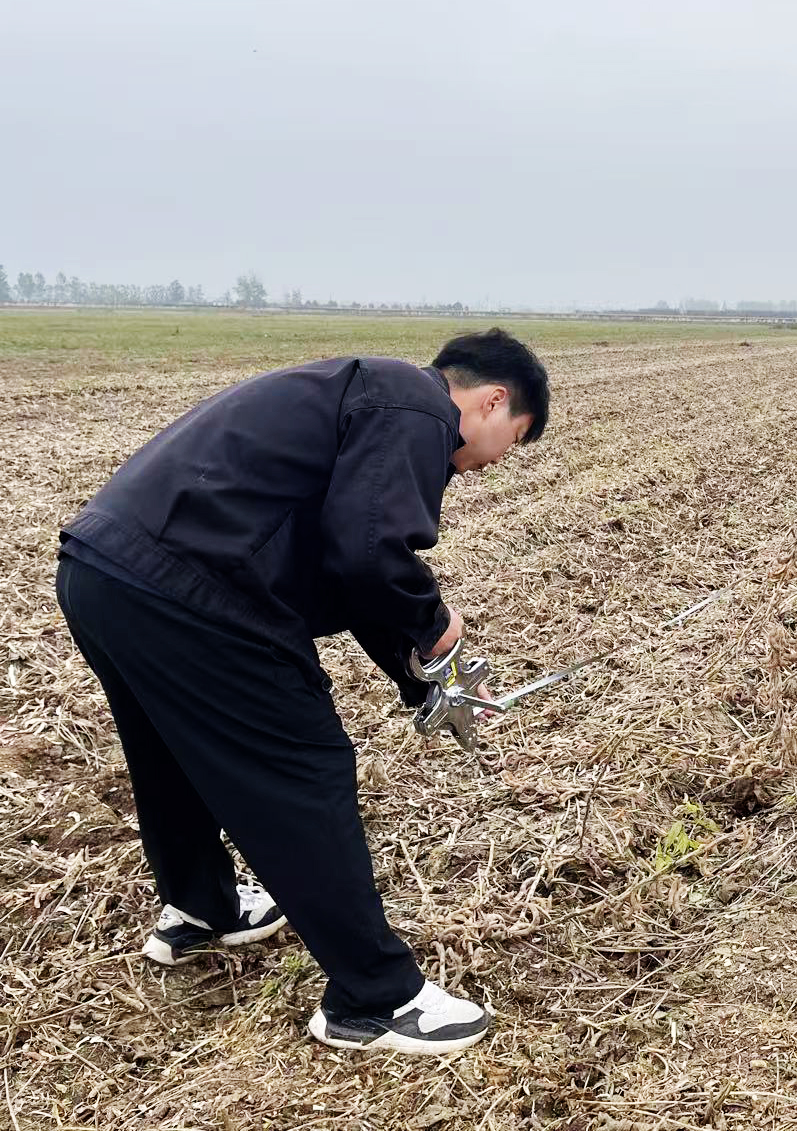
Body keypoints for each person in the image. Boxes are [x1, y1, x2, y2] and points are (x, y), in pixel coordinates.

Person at [55, 328, 549, 1055]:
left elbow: (347, 568)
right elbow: (370, 552)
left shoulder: (362, 398)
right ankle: (374, 998)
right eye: (517, 437)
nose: (500, 459)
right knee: (306, 766)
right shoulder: (418, 406)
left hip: (103, 569)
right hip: (194, 587)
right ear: (493, 401)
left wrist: (418, 677)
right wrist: (434, 623)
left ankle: (203, 908)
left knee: (169, 752)